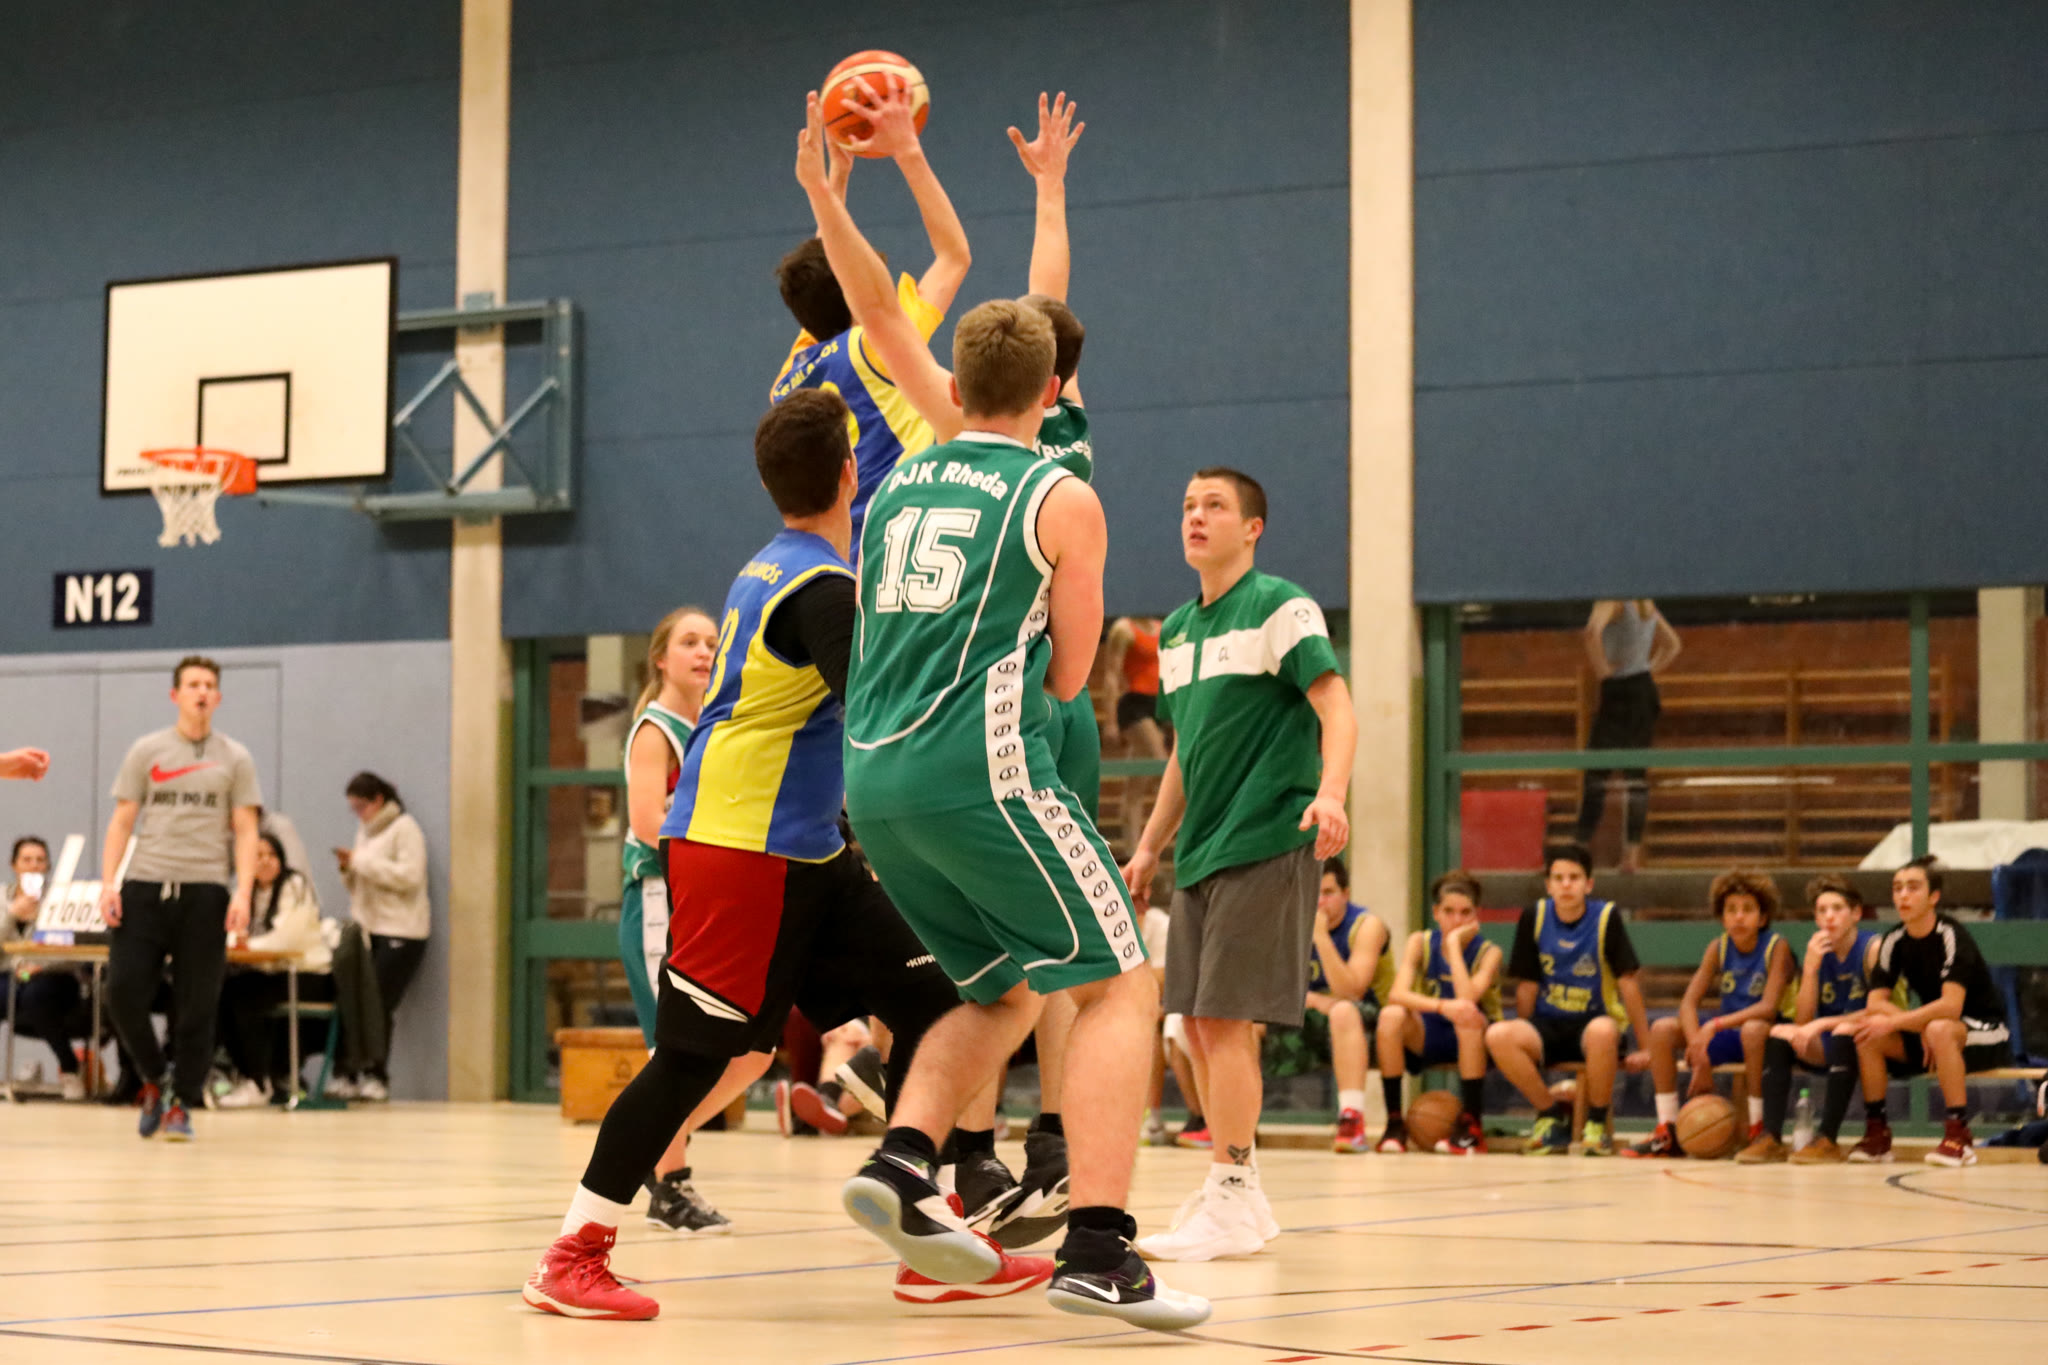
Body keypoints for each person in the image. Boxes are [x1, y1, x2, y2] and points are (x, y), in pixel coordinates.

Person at [521, 390, 1019, 1321]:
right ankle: (572, 1252)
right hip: (739, 849)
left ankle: (927, 1228)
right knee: (691, 1060)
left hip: (807, 851)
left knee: (939, 998)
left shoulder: (777, 566)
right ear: (851, 475)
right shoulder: (818, 591)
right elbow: (881, 712)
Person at [819, 282, 1203, 1328]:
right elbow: (1073, 677)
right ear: (1049, 391)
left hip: (873, 782)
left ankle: (905, 1161)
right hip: (979, 772)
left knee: (1002, 990)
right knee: (1120, 986)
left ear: (954, 385)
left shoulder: (897, 484)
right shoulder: (1059, 495)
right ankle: (1100, 1246)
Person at [800, 82, 1090, 1251]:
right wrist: (1046, 191)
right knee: (1081, 964)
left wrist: (834, 191)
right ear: (1055, 388)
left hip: (914, 729)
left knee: (999, 967)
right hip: (1017, 712)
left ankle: (974, 1148)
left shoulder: (951, 429)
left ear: (962, 390)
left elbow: (882, 308)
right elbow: (1037, 301)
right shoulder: (1056, 458)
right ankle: (1038, 1160)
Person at [1111, 466, 1352, 1264]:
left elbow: (1336, 704)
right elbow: (1186, 751)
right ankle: (1236, 1192)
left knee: (1222, 1020)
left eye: (1214, 505)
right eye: (1187, 505)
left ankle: (1233, 1186)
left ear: (1253, 527)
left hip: (1267, 835)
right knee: (1195, 1024)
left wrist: (1332, 792)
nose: (1196, 516)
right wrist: (1151, 844)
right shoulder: (1177, 630)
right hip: (1201, 852)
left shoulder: (1282, 606)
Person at [769, 74, 971, 554]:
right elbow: (953, 256)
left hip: (837, 555)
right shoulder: (878, 343)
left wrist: (834, 180)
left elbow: (827, 266)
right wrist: (907, 150)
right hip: (902, 543)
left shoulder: (790, 375)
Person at [618, 605, 760, 1232]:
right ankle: (669, 1185)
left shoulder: (716, 722)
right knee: (673, 1053)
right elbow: (649, 823)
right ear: (661, 658)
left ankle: (649, 1141)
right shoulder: (656, 730)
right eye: (690, 642)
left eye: (712, 642)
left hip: (707, 904)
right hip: (658, 899)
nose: (704, 652)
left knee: (753, 1050)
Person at [98, 655, 261, 1141]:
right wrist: (109, 882)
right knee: (122, 992)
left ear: (219, 697)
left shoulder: (236, 758)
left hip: (205, 892)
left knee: (197, 1007)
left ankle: (179, 1105)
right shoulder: (147, 750)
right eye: (192, 684)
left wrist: (243, 892)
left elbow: (246, 829)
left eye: (209, 685)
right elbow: (123, 821)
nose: (201, 692)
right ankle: (154, 1076)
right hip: (145, 888)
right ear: (175, 695)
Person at [1791, 856, 2013, 1168]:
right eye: (1897, 888)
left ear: (1933, 897)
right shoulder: (1894, 940)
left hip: (1985, 1029)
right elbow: (1875, 1003)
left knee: (1935, 1028)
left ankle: (1958, 1135)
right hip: (1933, 1029)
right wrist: (1910, 1025)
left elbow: (1951, 1006)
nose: (1903, 895)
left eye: (1913, 887)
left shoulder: (1951, 935)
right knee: (1868, 1033)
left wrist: (1902, 1022)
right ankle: (1877, 1134)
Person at [1484, 843, 1653, 1156]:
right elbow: (1527, 986)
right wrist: (1526, 1036)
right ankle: (1550, 1116)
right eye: (1558, 878)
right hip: (1548, 1024)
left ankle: (1596, 1124)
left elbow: (1628, 983)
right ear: (1548, 885)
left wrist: (1645, 1046)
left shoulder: (1606, 917)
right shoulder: (1534, 916)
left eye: (1574, 878)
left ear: (1588, 884)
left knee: (1602, 1031)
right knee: (1498, 1035)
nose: (1566, 885)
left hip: (1595, 1022)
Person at [1627, 869, 1793, 1157]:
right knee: (1662, 1029)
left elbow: (1768, 1008)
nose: (1739, 917)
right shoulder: (1718, 947)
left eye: (1747, 909)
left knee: (1753, 1029)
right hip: (1729, 1033)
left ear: (1763, 917)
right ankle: (1668, 1129)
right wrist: (1698, 1049)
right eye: (1731, 910)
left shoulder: (1777, 947)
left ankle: (1759, 1129)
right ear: (1722, 917)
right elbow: (1688, 1003)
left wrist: (1714, 1025)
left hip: (1765, 1035)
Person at [1737, 875, 1879, 1163]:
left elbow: (1880, 1010)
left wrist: (1822, 1024)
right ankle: (1771, 1137)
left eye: (1837, 908)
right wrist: (1811, 970)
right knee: (1780, 1035)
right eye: (1822, 910)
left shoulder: (1872, 948)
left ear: (1855, 913)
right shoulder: (1818, 950)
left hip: (1873, 1039)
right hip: (1833, 1041)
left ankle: (1828, 1138)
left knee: (1843, 1031)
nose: (1829, 917)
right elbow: (1802, 1021)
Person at [1375, 870, 1501, 1155]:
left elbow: (1467, 998)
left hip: (1476, 1038)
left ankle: (1472, 1125)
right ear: (1436, 913)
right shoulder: (1419, 942)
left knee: (1467, 1016)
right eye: (1449, 912)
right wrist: (1443, 1006)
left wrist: (1454, 946)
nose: (1457, 920)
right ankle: (1394, 1123)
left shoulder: (1489, 953)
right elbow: (1397, 994)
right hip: (1430, 1030)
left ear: (1477, 915)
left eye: (1465, 912)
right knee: (1390, 1016)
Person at [331, 772, 430, 1102]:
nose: (358, 814)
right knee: (353, 1000)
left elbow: (410, 877)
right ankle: (348, 1072)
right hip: (368, 928)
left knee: (378, 1003)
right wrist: (348, 870)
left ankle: (376, 1076)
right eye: (353, 809)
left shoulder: (405, 828)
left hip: (401, 931)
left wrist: (360, 862)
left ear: (378, 800)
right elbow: (362, 880)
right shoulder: (365, 832)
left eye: (362, 806)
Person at [213, 832, 331, 1107]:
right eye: (258, 856)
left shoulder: (295, 886)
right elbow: (232, 931)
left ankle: (259, 1080)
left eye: (271, 855)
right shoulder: (246, 893)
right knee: (222, 994)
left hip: (307, 973)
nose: (265, 861)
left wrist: (248, 946)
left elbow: (287, 939)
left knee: (244, 998)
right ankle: (244, 1073)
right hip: (270, 972)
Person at [1573, 600, 1681, 871]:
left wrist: (1604, 673)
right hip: (1643, 689)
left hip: (1618, 689)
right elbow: (1673, 644)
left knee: (1596, 772)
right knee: (1636, 776)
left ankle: (1578, 846)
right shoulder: (1645, 602)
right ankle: (1631, 854)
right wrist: (1648, 669)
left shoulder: (1611, 600)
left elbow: (1591, 633)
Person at [1300, 857, 1392, 1154]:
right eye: (1312, 892)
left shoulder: (1367, 926)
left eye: (1327, 893)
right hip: (1312, 1015)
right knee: (1247, 1021)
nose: (1319, 901)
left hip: (1371, 1022)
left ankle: (1352, 1120)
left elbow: (1351, 991)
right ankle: (1231, 1124)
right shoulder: (1291, 922)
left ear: (1346, 894)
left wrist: (1320, 937)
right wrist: (1316, 1001)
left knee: (1342, 1011)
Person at [6, 836, 89, 1100]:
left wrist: (39, 966)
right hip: (10, 976)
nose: (34, 865)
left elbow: (76, 950)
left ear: (48, 867)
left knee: (34, 994)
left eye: (40, 860)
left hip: (55, 976)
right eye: (27, 860)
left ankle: (69, 1067)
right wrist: (11, 915)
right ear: (14, 865)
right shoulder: (1, 899)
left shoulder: (62, 901)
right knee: (17, 991)